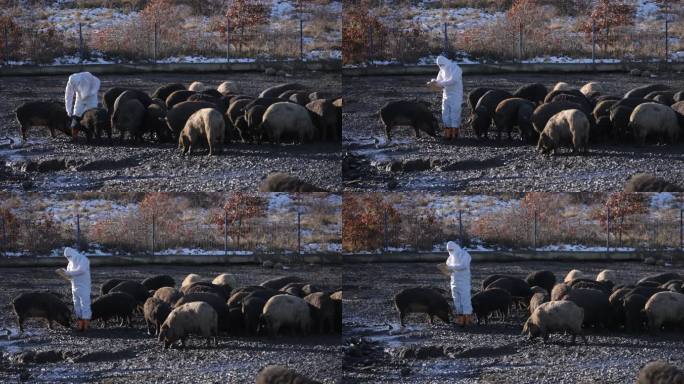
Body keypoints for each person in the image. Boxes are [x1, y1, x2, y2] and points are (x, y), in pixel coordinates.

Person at [427, 55, 463, 140]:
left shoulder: (456, 68)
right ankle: (448, 132)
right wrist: (433, 82)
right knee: (445, 113)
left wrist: (441, 84)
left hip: (456, 94)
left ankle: (455, 133)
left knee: (455, 112)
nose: (441, 66)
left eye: (442, 65)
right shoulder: (442, 70)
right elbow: (438, 80)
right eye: (439, 65)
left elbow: (453, 80)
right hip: (446, 94)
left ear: (446, 62)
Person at [57, 247, 92, 332]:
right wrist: (64, 274)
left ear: (73, 253)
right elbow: (70, 276)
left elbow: (82, 270)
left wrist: (68, 273)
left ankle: (86, 324)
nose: (69, 258)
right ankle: (80, 324)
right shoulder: (70, 263)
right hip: (74, 286)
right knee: (77, 305)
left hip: (84, 286)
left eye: (69, 256)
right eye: (67, 257)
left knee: (85, 304)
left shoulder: (83, 259)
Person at [64, 72, 101, 141]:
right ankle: (74, 136)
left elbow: (95, 88)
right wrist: (68, 110)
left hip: (91, 98)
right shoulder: (71, 80)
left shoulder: (92, 80)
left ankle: (91, 135)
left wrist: (89, 94)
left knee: (91, 116)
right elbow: (68, 95)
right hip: (80, 98)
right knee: (76, 115)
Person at [445, 240, 473, 327]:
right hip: (454, 281)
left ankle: (467, 318)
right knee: (456, 300)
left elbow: (463, 266)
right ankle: (460, 318)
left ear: (456, 247)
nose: (451, 252)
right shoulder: (450, 258)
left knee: (465, 299)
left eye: (451, 249)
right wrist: (446, 269)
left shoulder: (464, 255)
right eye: (449, 250)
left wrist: (450, 267)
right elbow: (447, 268)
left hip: (464, 281)